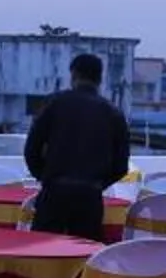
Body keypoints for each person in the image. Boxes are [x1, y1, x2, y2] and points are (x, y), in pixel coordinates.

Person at [24, 51, 131, 239]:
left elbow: (31, 149)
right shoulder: (113, 113)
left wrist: (45, 177)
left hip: (54, 194)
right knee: (83, 251)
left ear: (73, 75)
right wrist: (97, 185)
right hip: (89, 198)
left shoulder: (54, 104)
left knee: (42, 250)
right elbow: (121, 166)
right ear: (100, 79)